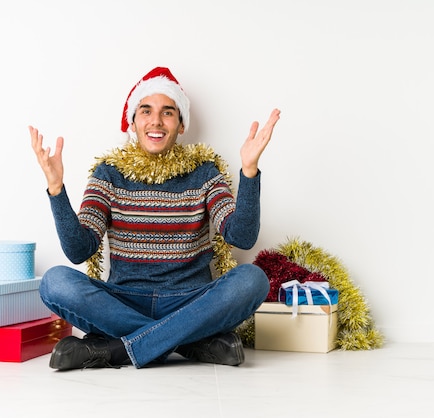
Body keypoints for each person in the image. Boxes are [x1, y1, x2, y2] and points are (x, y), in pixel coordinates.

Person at [29, 67, 280, 370]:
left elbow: (240, 237)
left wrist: (249, 172)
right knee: (55, 282)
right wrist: (56, 190)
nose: (156, 121)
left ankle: (117, 349)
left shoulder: (205, 173)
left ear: (181, 124)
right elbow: (78, 250)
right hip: (123, 300)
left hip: (191, 299)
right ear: (132, 123)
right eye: (145, 111)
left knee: (252, 280)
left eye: (168, 112)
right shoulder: (108, 173)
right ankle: (190, 340)